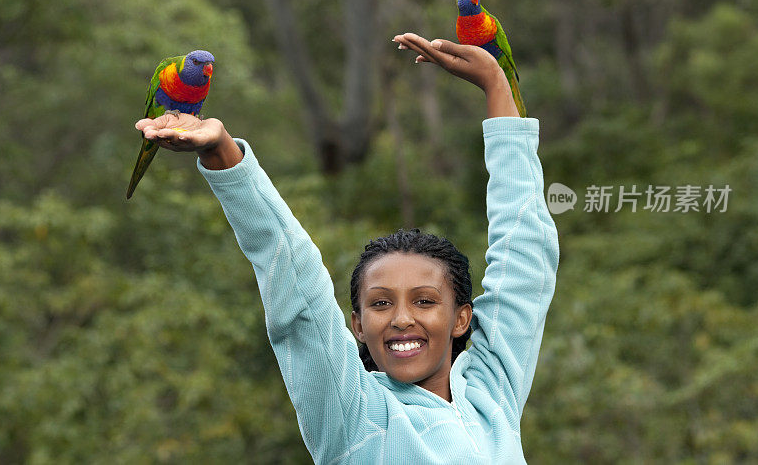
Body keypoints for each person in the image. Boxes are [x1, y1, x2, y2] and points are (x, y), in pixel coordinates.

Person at [135, 33, 559, 464]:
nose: (401, 319)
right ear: (357, 325)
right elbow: (300, 295)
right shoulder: (354, 417)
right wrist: (225, 155)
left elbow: (526, 254)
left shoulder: (492, 393)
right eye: (379, 304)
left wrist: (497, 85)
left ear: (461, 319)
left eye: (426, 300)